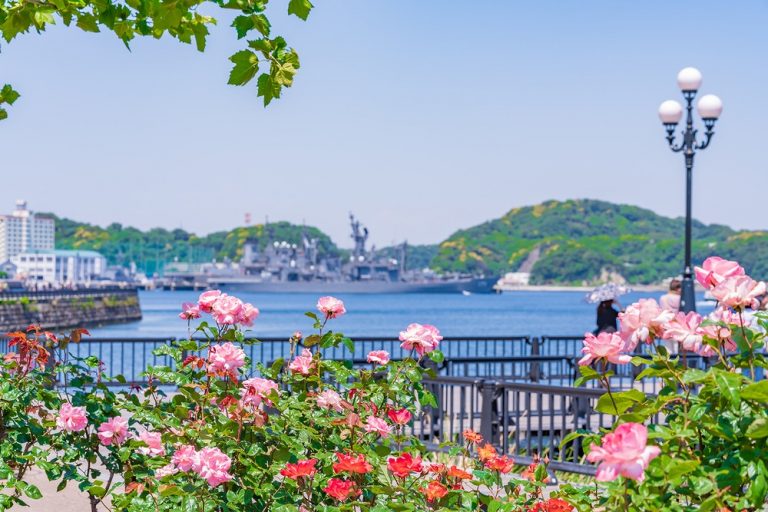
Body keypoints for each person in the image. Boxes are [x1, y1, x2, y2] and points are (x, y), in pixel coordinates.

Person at [659, 279, 681, 354]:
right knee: (677, 350)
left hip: (666, 326)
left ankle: (669, 365)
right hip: (677, 326)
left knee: (668, 350)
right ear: (678, 288)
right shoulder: (680, 299)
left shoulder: (663, 298)